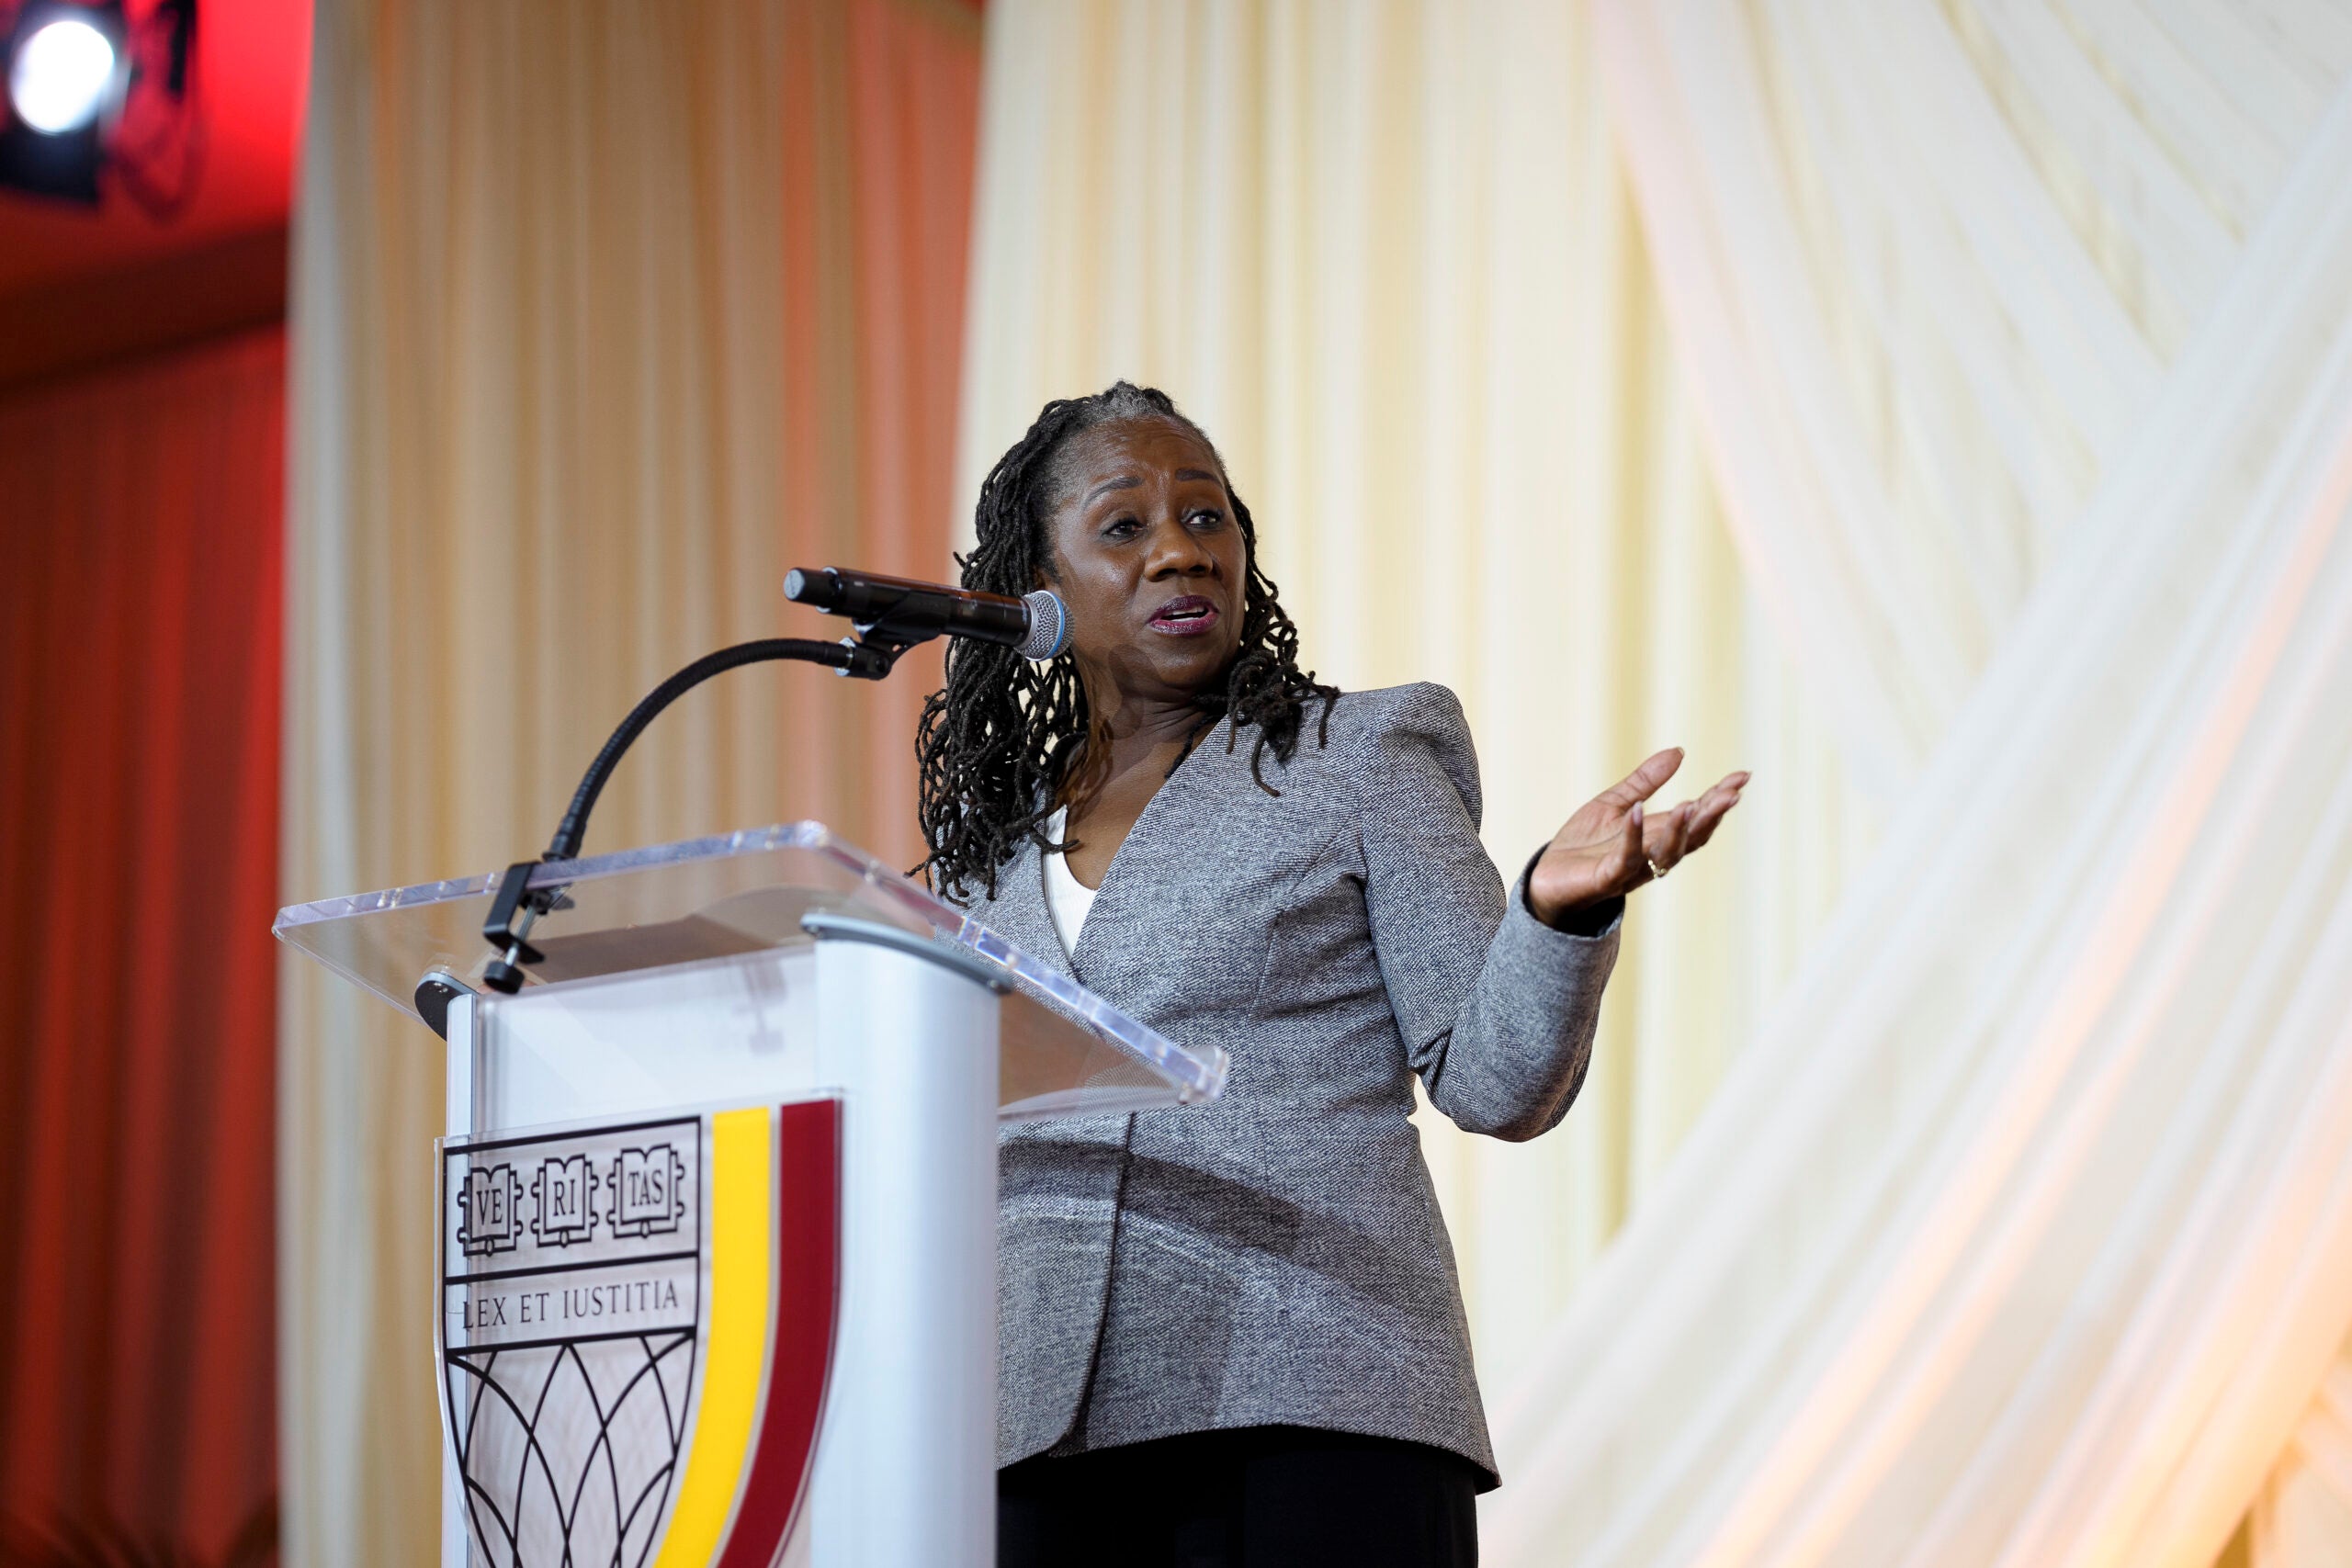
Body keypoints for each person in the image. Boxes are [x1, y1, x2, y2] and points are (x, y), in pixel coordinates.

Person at [916, 383, 1746, 1568]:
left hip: (1314, 1396)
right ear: (1037, 584)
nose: (1179, 552)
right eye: (1124, 526)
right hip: (1039, 1436)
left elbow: (1497, 1081)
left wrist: (1558, 913)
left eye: (1206, 518)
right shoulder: (986, 863)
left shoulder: (1355, 759)